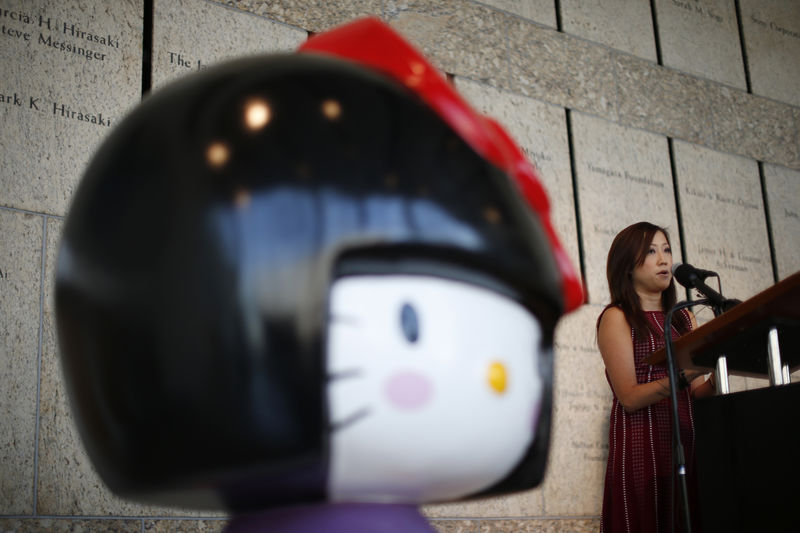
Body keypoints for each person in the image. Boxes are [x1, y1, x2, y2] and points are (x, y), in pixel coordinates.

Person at [597, 222, 714, 533]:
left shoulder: (685, 318)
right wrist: (688, 374)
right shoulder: (617, 317)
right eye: (651, 251)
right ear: (627, 266)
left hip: (688, 449)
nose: (664, 260)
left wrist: (723, 359)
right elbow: (630, 397)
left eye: (667, 250)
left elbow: (699, 395)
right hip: (642, 451)